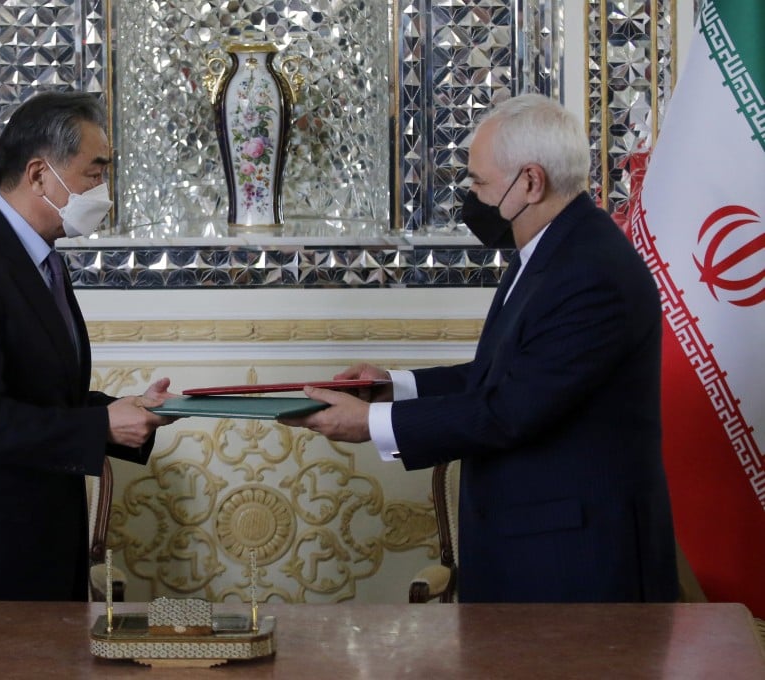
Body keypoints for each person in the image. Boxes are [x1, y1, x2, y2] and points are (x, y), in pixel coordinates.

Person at [283, 93, 679, 603]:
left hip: (577, 565)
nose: (470, 196)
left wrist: (369, 424)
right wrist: (393, 387)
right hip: (535, 550)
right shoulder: (553, 249)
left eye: (479, 183)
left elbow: (509, 410)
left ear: (530, 182)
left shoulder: (591, 271)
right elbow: (505, 375)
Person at [0, 91, 175, 601]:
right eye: (94, 172)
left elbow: (41, 398)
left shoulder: (46, 260)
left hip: (38, 548)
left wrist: (124, 411)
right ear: (40, 174)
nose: (103, 190)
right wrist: (101, 424)